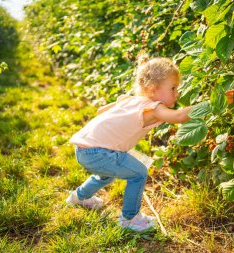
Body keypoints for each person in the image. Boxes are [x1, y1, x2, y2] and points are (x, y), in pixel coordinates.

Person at [66, 54, 193, 232]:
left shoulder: (131, 101)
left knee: (106, 174)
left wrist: (119, 102)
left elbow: (99, 110)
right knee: (139, 173)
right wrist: (209, 105)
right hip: (99, 152)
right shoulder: (154, 108)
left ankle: (79, 197)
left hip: (82, 150)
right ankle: (129, 218)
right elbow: (179, 116)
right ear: (153, 88)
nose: (176, 93)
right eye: (173, 88)